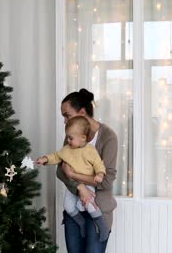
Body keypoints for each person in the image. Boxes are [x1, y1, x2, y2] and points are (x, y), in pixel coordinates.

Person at [57, 88, 117, 253]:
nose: (64, 121)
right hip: (74, 212)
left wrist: (74, 175)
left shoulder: (108, 137)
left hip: (98, 212)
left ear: (82, 113)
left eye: (67, 115)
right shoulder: (72, 135)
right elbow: (60, 171)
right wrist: (81, 187)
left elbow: (105, 181)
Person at [35, 116, 110, 242]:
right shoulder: (66, 150)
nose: (68, 140)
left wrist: (100, 174)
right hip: (73, 185)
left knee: (89, 206)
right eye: (67, 136)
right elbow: (56, 156)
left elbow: (98, 164)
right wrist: (45, 159)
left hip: (87, 184)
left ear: (83, 138)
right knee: (68, 207)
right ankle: (81, 223)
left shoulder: (90, 151)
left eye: (71, 138)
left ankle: (102, 226)